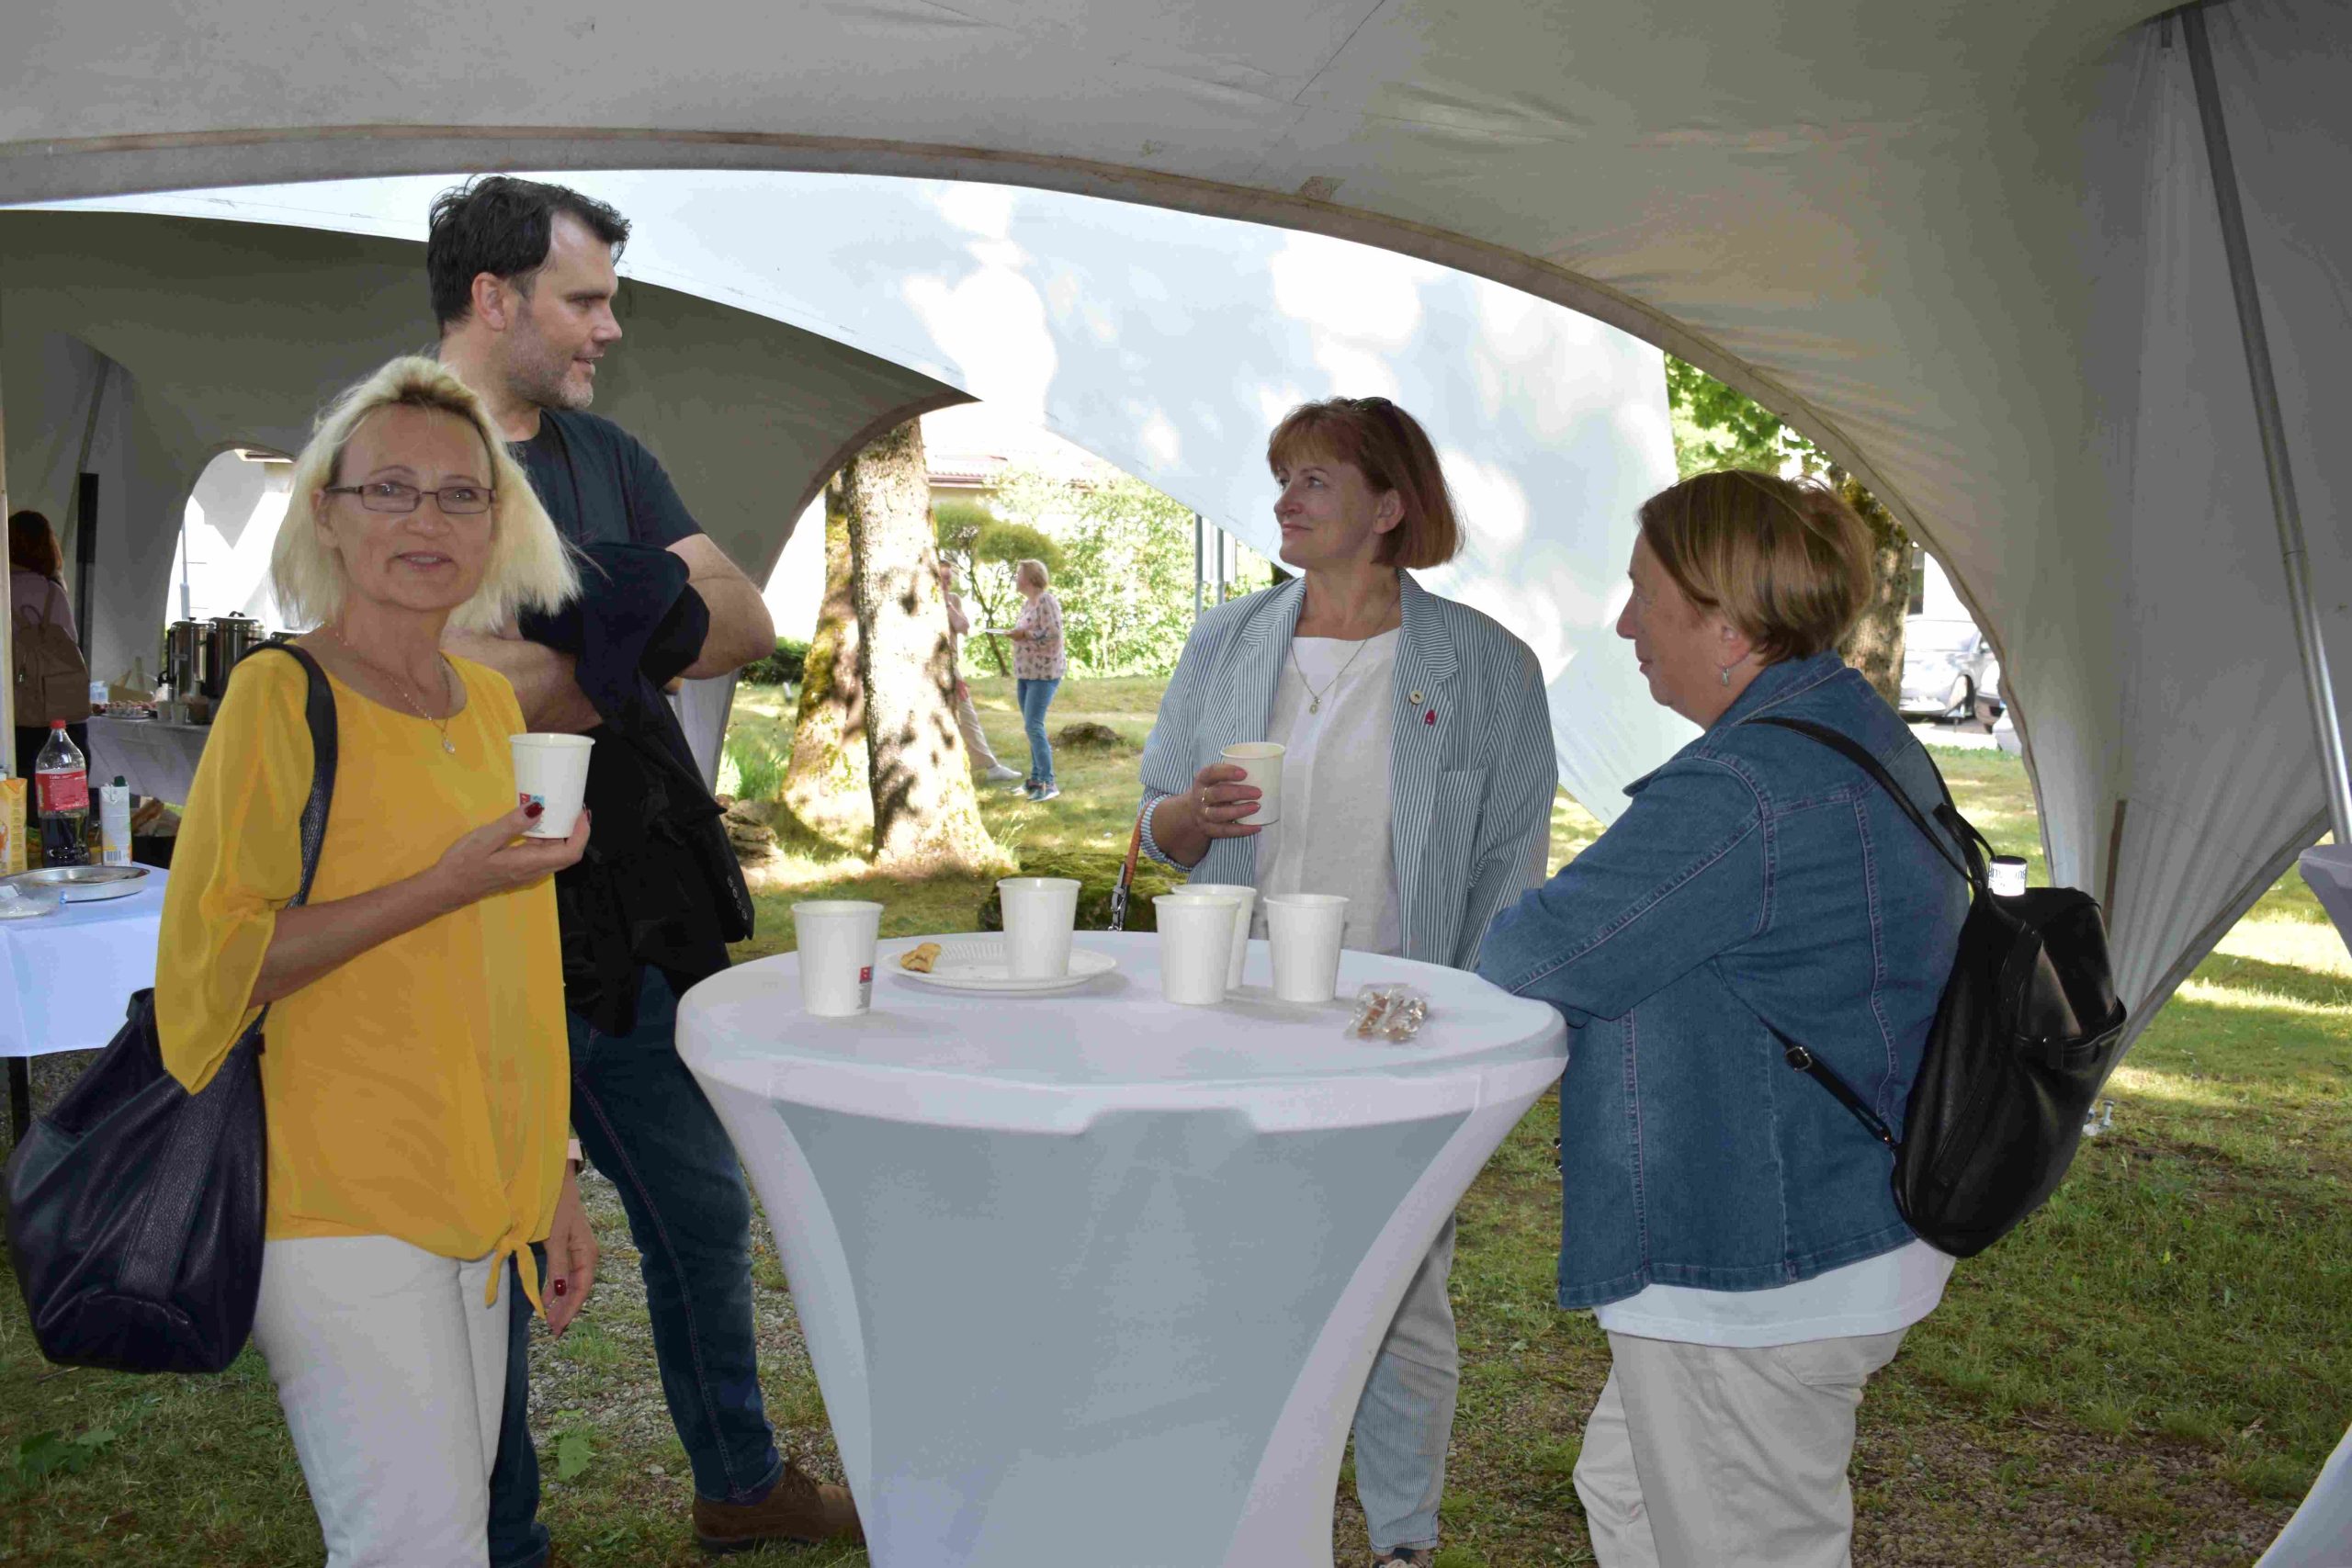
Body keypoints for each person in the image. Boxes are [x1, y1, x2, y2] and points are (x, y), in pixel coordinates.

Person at [424, 175, 862, 1563]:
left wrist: (570, 630)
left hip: (632, 908)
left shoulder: (606, 456)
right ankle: (499, 1532)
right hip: (459, 910)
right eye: (585, 300)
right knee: (493, 1238)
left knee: (702, 1203)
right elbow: (407, 674)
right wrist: (617, 627)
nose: (610, 328)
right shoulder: (393, 449)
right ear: (493, 297)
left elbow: (743, 616)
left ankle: (739, 1482)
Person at [1477, 470, 1971, 1568]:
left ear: (1730, 627)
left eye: (1644, 594)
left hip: (1765, 1255)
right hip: (1834, 1217)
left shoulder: (1742, 788)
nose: (1625, 625)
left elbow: (1531, 954)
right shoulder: (1843, 729)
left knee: (1737, 1541)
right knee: (1630, 1494)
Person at [157, 356, 592, 1566]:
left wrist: (554, 1172)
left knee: (453, 1529)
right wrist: (442, 880)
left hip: (480, 1185)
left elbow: (512, 966)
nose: (425, 521)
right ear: (328, 514)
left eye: (461, 495)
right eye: (389, 488)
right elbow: (216, 964)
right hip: (338, 1195)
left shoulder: (489, 707)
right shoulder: (279, 697)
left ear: (498, 525)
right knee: (418, 1545)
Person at [1136, 396, 1556, 1568]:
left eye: (1314, 479)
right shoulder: (1225, 642)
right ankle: (1239, 1511)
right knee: (1226, 1267)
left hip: (1394, 1030)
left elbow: (1510, 869)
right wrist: (1188, 814)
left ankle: (1403, 1539)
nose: (1285, 499)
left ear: (1389, 507)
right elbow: (1153, 829)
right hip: (1234, 1016)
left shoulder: (1488, 666)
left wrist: (1462, 1026)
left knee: (1400, 1289)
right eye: (1282, 477)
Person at [9, 508, 89, 779]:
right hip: (58, 708)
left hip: (14, 710)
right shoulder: (52, 591)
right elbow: (69, 642)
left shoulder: (4, 588)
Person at [937, 558, 1022, 784]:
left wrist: (946, 603)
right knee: (961, 716)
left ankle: (989, 766)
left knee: (967, 716)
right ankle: (987, 766)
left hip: (951, 664)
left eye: (949, 579)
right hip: (935, 666)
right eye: (943, 579)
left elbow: (963, 627)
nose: (947, 583)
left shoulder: (953, 599)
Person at [1003, 557, 1066, 800]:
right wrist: (1017, 634)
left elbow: (1053, 634)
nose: (1016, 579)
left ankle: (1049, 783)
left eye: (1019, 574)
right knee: (1030, 727)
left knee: (1034, 725)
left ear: (1030, 578)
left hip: (1044, 673)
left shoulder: (1046, 601)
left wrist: (1025, 635)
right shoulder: (1027, 604)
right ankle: (1036, 779)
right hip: (1026, 673)